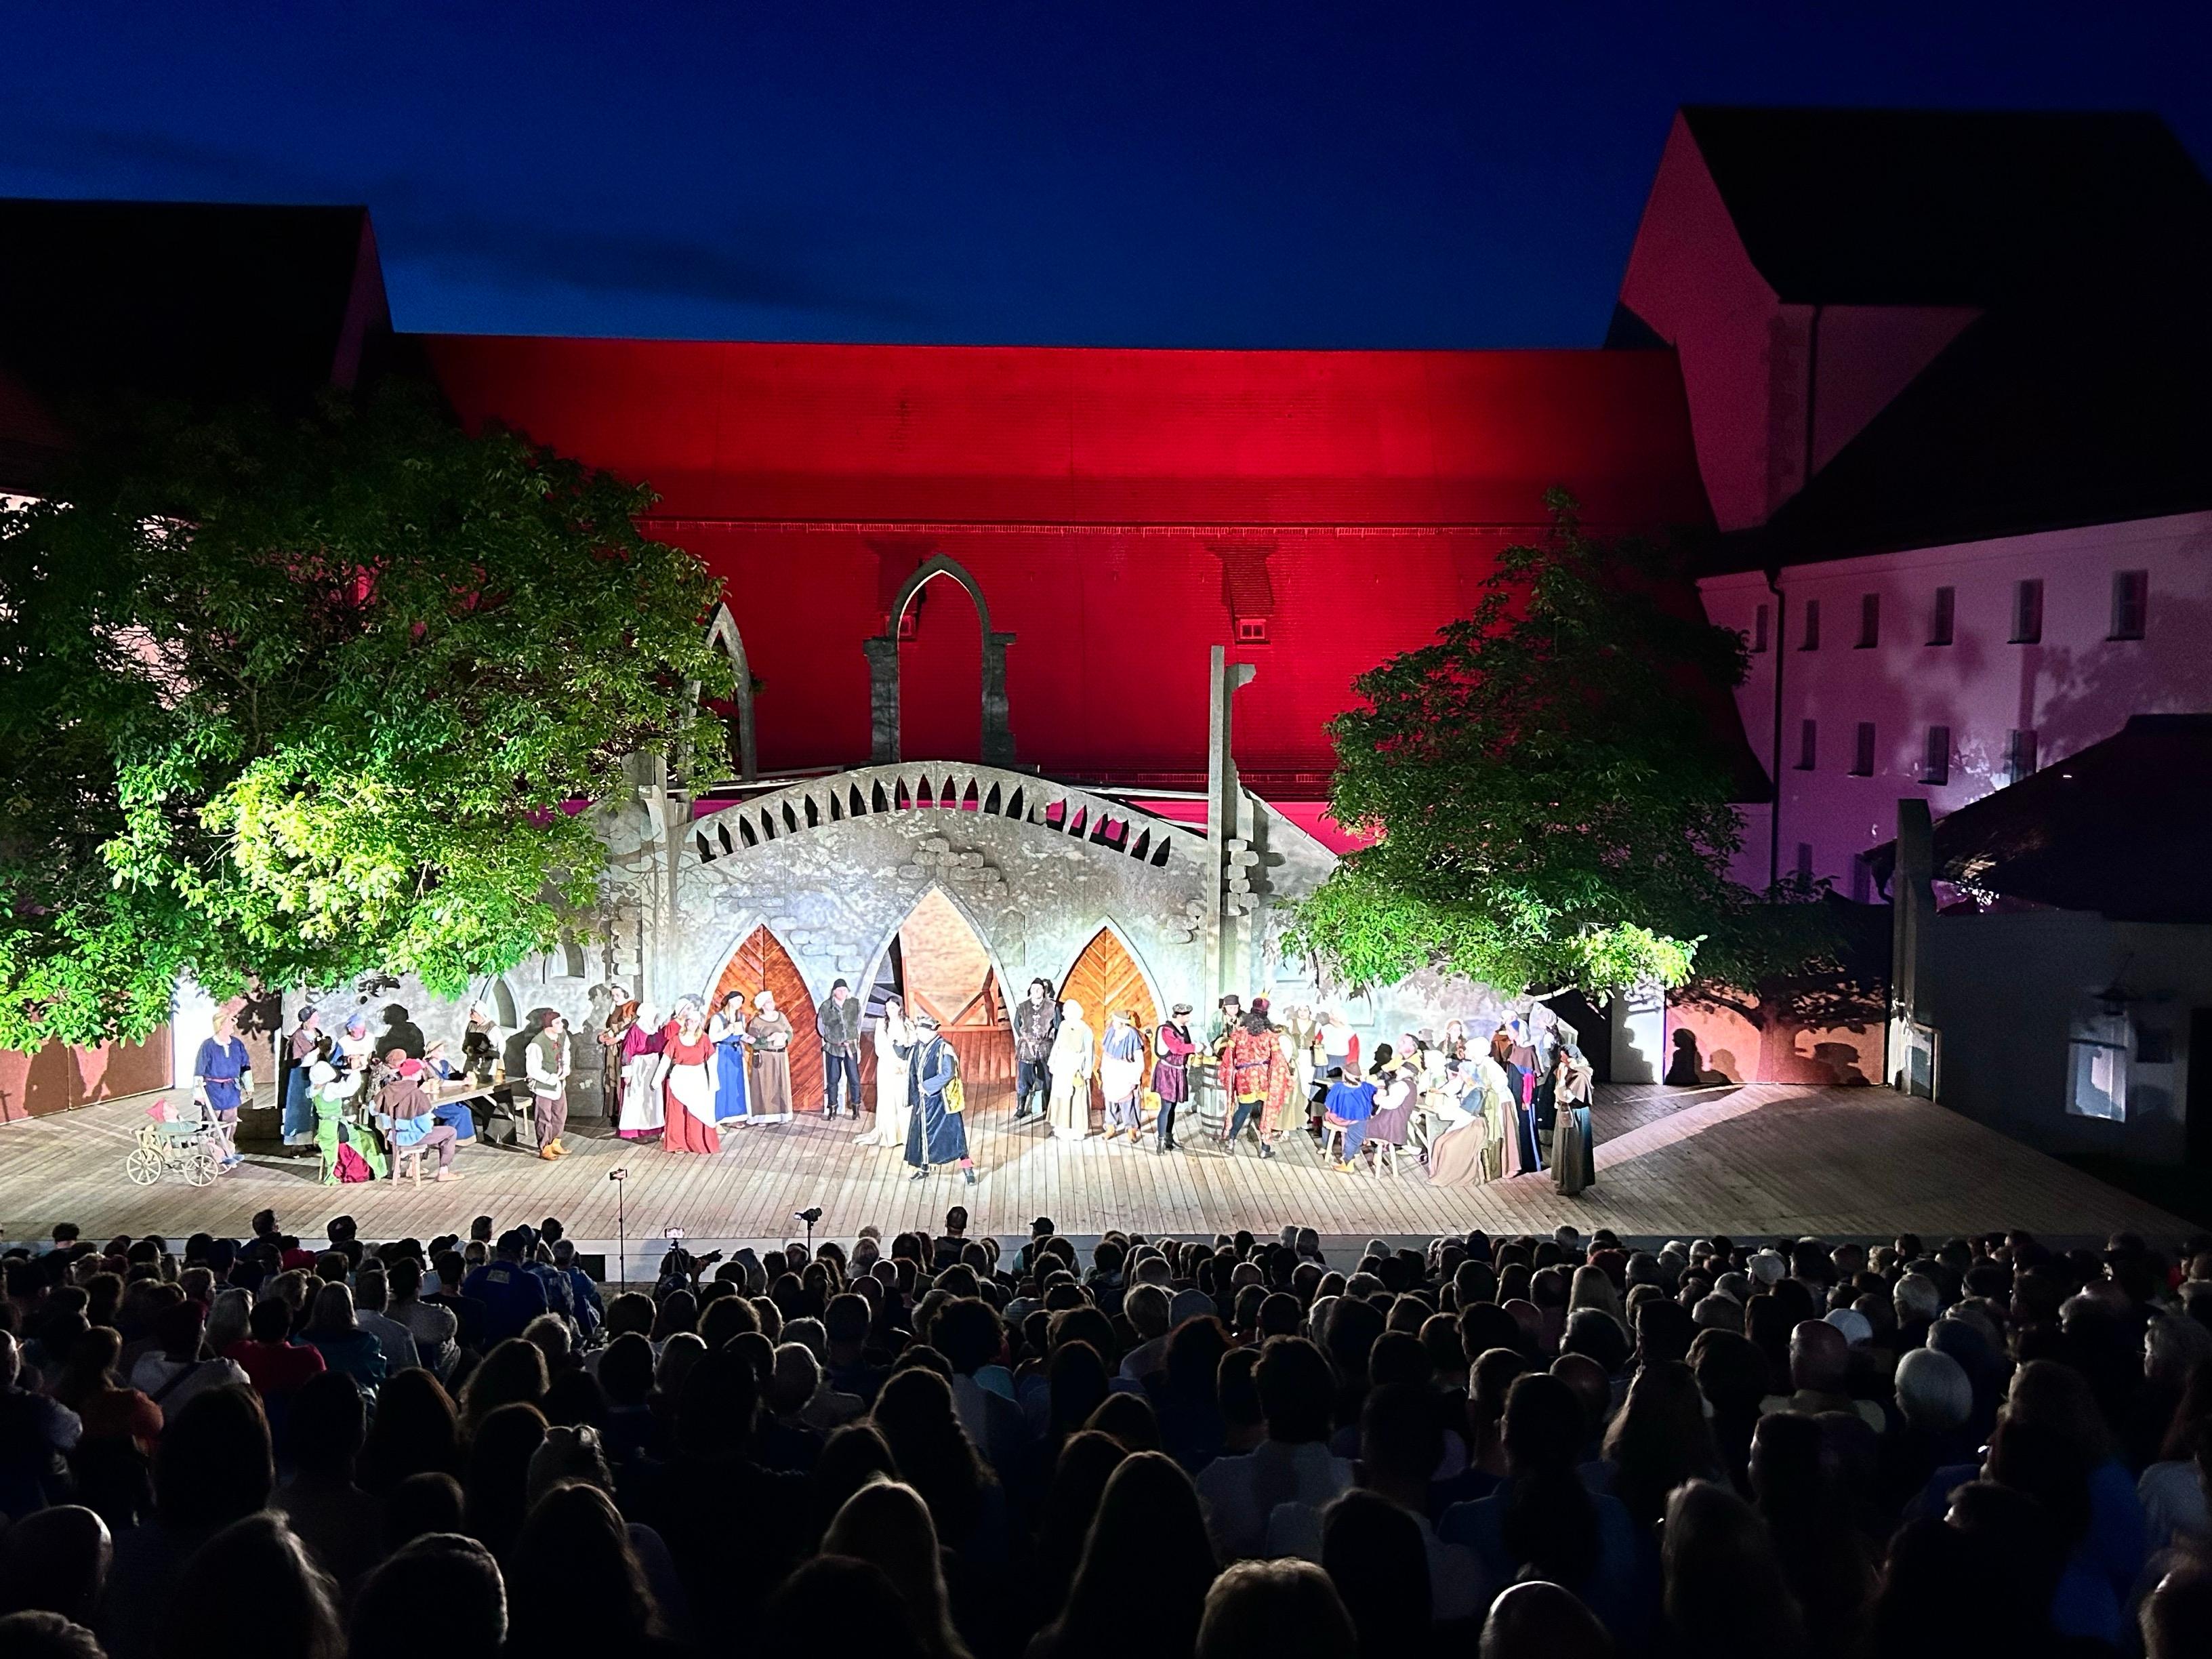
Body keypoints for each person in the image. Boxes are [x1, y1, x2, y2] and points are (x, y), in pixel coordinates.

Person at [903, 1014, 975, 1186]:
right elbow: (907, 1059)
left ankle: (967, 1168)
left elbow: (947, 1074)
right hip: (923, 1102)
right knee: (922, 1136)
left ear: (930, 1032)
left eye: (921, 1031)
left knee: (955, 1138)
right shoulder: (918, 1047)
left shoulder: (944, 1048)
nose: (919, 1034)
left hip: (942, 1103)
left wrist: (927, 1086)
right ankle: (924, 1168)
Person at [655, 997, 722, 1155]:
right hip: (679, 1078)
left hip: (697, 1078)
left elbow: (712, 1061)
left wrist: (713, 1082)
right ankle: (678, 1144)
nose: (692, 1024)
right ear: (686, 1022)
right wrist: (657, 1080)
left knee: (698, 1112)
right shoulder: (676, 1040)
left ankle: (697, 1143)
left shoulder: (704, 1040)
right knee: (678, 1113)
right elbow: (665, 1060)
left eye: (695, 1022)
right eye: (689, 1021)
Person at [190, 1008, 253, 1171]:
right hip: (213, 1088)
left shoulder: (237, 1044)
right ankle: (212, 1154)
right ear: (221, 1026)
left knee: (230, 1121)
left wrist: (248, 1085)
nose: (232, 1026)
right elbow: (199, 1070)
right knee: (213, 1122)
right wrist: (199, 1093)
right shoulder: (208, 1046)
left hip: (231, 1088)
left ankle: (227, 1151)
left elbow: (245, 1066)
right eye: (228, 1023)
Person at [382, 1054, 462, 1181]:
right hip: (410, 1136)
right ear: (415, 1074)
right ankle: (444, 1171)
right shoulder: (417, 1094)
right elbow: (426, 1127)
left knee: (425, 1129)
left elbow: (377, 1111)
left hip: (393, 1135)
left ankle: (412, 1167)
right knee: (450, 1132)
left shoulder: (390, 1090)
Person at [1221, 1005, 1286, 1160]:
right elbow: (1279, 1059)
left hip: (1245, 1078)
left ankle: (1231, 1141)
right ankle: (1265, 1148)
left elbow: (1228, 1056)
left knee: (1243, 1109)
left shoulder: (1239, 1034)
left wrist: (1230, 1072)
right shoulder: (1270, 1036)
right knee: (1266, 1111)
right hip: (1263, 1078)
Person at [859, 996, 914, 1148]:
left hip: (903, 1066)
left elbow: (912, 1043)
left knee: (902, 1099)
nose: (890, 1011)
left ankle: (904, 1134)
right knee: (888, 1099)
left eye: (893, 1008)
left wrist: (904, 1062)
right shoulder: (882, 1024)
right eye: (888, 1008)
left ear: (900, 1008)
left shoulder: (907, 1024)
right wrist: (895, 1063)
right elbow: (880, 1048)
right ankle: (890, 1135)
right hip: (888, 1066)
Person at [1550, 1046, 1597, 1196]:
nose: (1563, 1061)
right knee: (1564, 1146)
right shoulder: (1568, 1069)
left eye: (1566, 1058)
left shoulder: (1580, 1075)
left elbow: (1567, 1097)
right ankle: (1564, 1180)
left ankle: (1573, 1184)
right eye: (1562, 1058)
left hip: (1575, 1115)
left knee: (1573, 1149)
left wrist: (1561, 1080)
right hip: (1567, 1113)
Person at [527, 1010, 573, 1160]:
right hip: (543, 1085)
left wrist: (566, 1068)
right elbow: (533, 1069)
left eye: (561, 1022)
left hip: (559, 1082)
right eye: (557, 1023)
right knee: (544, 1116)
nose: (561, 1025)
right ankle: (545, 1147)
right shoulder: (537, 1044)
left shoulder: (562, 1035)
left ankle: (555, 1142)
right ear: (548, 1026)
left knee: (560, 1112)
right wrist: (551, 1078)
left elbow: (565, 1051)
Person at [617, 1001, 668, 1139]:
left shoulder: (656, 1029)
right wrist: (627, 1073)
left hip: (654, 1064)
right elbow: (627, 1051)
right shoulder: (635, 1030)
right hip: (640, 1065)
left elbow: (662, 1047)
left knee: (653, 1097)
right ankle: (634, 1129)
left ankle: (654, 1127)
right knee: (637, 1096)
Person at [1047, 1000, 1095, 1141]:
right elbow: (1057, 1045)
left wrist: (1087, 1071)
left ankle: (1076, 1130)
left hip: (1076, 1068)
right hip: (1062, 1066)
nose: (1063, 1014)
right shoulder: (1063, 1025)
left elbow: (1089, 1053)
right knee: (1061, 1099)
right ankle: (1061, 1128)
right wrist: (1053, 1062)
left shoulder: (1086, 1030)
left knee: (1076, 1100)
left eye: (1066, 1011)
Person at [1012, 977, 1059, 1123]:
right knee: (1024, 1079)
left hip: (1046, 1048)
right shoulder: (1022, 1007)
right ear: (1030, 990)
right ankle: (1021, 1108)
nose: (1036, 991)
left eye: (1039, 989)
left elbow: (1057, 1026)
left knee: (1047, 1079)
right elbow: (1017, 1024)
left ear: (1044, 991)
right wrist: (1027, 1039)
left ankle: (1048, 1108)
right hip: (1026, 1048)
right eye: (1033, 989)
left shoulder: (1052, 1007)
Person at [747, 989, 796, 1122]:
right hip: (766, 1056)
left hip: (780, 1055)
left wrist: (785, 1036)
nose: (772, 1003)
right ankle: (763, 1117)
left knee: (781, 1085)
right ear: (763, 1005)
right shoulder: (756, 1022)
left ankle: (782, 1115)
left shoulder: (781, 1016)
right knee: (766, 1085)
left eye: (772, 1000)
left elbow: (789, 1030)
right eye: (769, 1002)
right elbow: (753, 1043)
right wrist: (768, 1039)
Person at [1153, 1003, 1197, 1153]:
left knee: (1172, 1106)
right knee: (1166, 1107)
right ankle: (1161, 1141)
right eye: (1186, 1015)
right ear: (1178, 1016)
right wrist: (1196, 1048)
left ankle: (1169, 1138)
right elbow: (1176, 1048)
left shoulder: (1183, 1029)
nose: (1188, 1017)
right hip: (1167, 1071)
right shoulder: (1167, 1030)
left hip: (1178, 1071)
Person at [1099, 1009, 1147, 1144]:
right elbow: (1106, 1053)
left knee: (1128, 1103)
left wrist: (1136, 1076)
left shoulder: (1132, 1035)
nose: (1114, 1023)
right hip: (1111, 1071)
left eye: (1116, 1021)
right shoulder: (1111, 1032)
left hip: (1125, 1072)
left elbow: (1139, 1059)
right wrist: (1103, 1070)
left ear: (1122, 1023)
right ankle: (1110, 1127)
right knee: (1111, 1102)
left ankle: (1131, 1129)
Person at [818, 978, 864, 1119]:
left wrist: (855, 1041)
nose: (842, 992)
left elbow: (859, 1023)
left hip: (851, 1048)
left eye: (845, 990)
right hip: (834, 1049)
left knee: (854, 1079)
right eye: (839, 990)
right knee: (833, 1079)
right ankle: (832, 1109)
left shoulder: (854, 1004)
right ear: (834, 992)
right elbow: (821, 1026)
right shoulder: (826, 1006)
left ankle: (856, 1109)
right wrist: (831, 1039)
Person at [708, 991, 752, 1125]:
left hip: (736, 1052)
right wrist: (727, 1031)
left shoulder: (741, 1017)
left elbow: (741, 1034)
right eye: (737, 1000)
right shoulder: (718, 1018)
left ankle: (736, 1116)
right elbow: (712, 1038)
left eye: (741, 1000)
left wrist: (749, 1039)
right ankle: (720, 1117)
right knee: (723, 1082)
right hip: (723, 1052)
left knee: (737, 1083)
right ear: (730, 1000)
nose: (739, 1003)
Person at [1322, 1066, 1377, 1171]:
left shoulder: (1339, 1087)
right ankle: (1350, 1160)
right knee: (1356, 1130)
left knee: (1325, 1116)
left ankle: (1325, 1146)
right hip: (1361, 1120)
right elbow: (1376, 1097)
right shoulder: (1366, 1087)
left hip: (1343, 1120)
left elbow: (1328, 1105)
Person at [597, 989, 641, 1121]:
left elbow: (632, 1027)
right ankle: (615, 1112)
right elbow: (613, 1028)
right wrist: (605, 1036)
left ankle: (626, 1113)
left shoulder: (633, 1007)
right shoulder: (615, 1008)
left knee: (623, 1075)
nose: (615, 998)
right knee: (612, 1076)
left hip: (626, 1046)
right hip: (613, 1048)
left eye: (618, 995)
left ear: (626, 994)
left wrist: (618, 1038)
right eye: (613, 995)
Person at [281, 1006, 323, 1147]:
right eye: (314, 1017)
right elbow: (297, 1060)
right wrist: (316, 1051)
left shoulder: (318, 1034)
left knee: (314, 1107)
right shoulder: (297, 1037)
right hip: (301, 1075)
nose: (317, 1020)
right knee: (298, 1107)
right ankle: (295, 1143)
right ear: (307, 1020)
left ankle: (312, 1140)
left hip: (316, 1074)